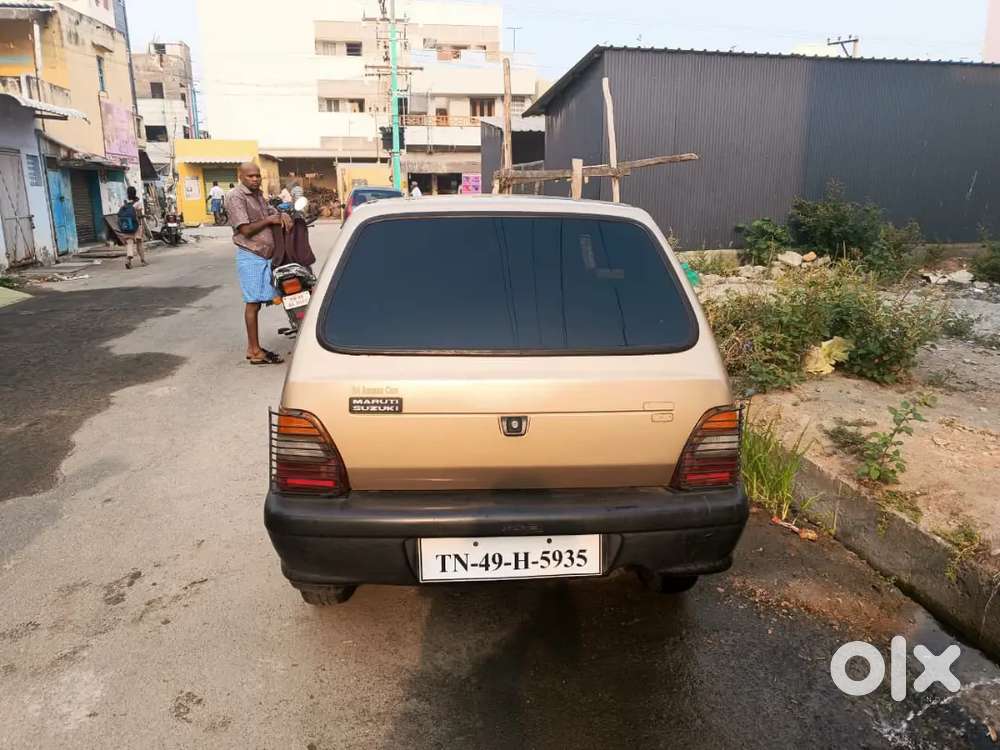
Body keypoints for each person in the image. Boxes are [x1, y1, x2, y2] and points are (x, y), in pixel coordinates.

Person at [225, 162, 293, 365]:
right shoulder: (236, 196)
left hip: (265, 256)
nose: (254, 179)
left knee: (265, 299)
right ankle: (253, 350)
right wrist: (271, 221)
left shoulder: (258, 195)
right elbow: (245, 230)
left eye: (257, 176)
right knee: (253, 303)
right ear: (240, 176)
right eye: (250, 176)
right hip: (251, 255)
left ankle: (255, 347)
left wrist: (282, 214)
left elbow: (270, 211)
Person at [120, 186, 147, 269]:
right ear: (135, 193)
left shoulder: (125, 202)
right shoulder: (138, 203)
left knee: (129, 243)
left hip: (127, 226)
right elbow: (139, 215)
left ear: (127, 193)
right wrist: (143, 224)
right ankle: (142, 260)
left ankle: (129, 259)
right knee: (139, 242)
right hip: (136, 225)